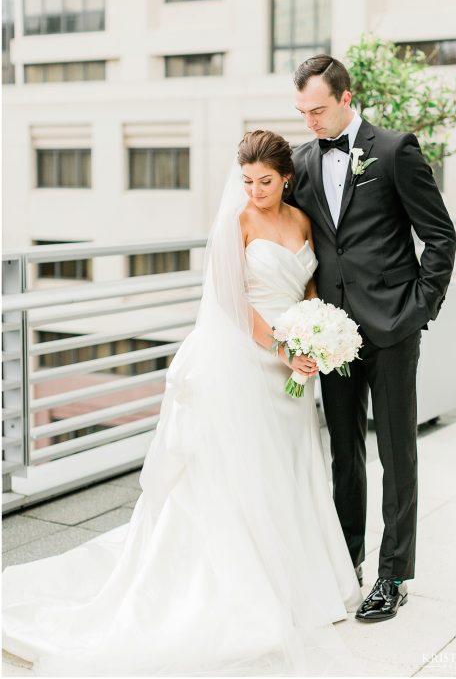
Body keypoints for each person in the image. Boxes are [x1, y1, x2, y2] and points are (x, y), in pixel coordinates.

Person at [2, 130, 362, 677]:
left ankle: (299, 582)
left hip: (292, 364)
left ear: (286, 177)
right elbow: (231, 300)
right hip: (244, 361)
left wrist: (314, 335)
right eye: (246, 181)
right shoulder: (236, 221)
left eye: (265, 181)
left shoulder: (302, 220)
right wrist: (286, 348)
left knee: (285, 468)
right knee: (241, 473)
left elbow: (308, 287)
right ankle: (242, 589)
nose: (255, 190)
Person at [288, 54, 456, 622]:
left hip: (392, 326)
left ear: (345, 97)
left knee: (396, 453)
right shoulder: (303, 162)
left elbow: (439, 235)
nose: (309, 121)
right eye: (302, 112)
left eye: (317, 110)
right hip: (330, 334)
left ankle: (393, 574)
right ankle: (346, 563)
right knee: (344, 452)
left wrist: (419, 309)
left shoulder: (393, 150)